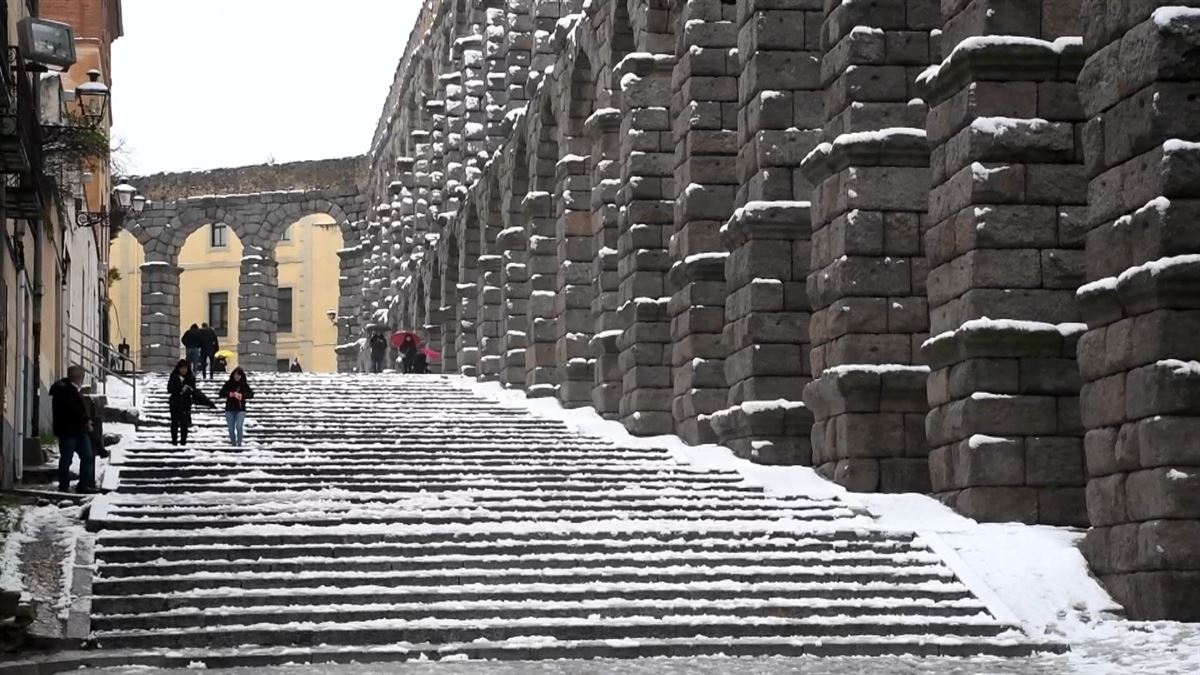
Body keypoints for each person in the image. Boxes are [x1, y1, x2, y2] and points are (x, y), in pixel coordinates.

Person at [49, 365, 97, 494]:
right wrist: (86, 421)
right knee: (68, 459)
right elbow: (73, 410)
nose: (83, 379)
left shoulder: (69, 389)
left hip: (77, 430)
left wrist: (84, 421)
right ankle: (65, 486)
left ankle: (81, 486)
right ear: (77, 377)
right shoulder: (65, 390)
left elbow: (75, 409)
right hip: (68, 431)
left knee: (86, 456)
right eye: (82, 376)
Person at [218, 367, 254, 447]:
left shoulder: (244, 384)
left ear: (241, 376)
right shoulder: (229, 383)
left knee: (239, 426)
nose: (236, 376)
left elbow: (251, 394)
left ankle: (239, 443)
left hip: (240, 410)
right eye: (235, 374)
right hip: (229, 410)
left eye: (238, 375)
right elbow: (221, 393)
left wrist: (242, 396)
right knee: (231, 429)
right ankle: (233, 443)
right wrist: (230, 394)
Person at [167, 359, 197, 446]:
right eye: (181, 368)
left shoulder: (191, 378)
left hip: (186, 403)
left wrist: (187, 389)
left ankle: (183, 442)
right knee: (174, 423)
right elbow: (169, 389)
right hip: (175, 403)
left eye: (185, 368)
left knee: (184, 423)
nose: (183, 370)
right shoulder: (173, 376)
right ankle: (174, 441)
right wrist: (180, 389)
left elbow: (193, 390)